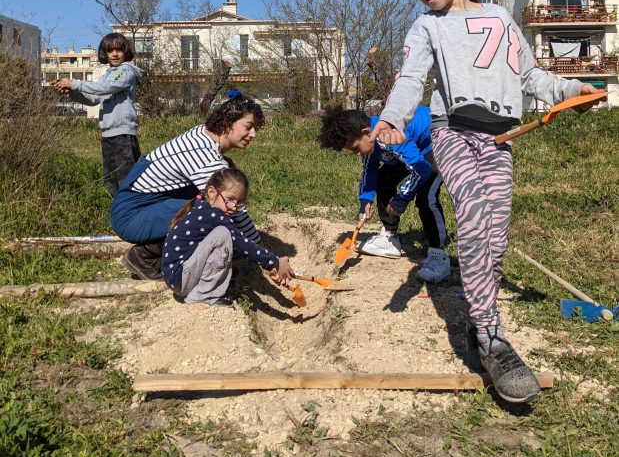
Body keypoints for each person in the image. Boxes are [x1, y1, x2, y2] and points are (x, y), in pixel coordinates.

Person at [370, 0, 600, 404]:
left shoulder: (499, 19)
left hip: (501, 138)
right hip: (453, 130)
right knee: (473, 215)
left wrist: (573, 90)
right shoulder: (426, 26)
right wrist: (391, 116)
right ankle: (494, 338)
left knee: (495, 231)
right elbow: (411, 78)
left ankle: (479, 324)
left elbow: (533, 76)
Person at [111, 90, 265, 281]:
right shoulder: (203, 155)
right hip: (132, 216)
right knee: (210, 209)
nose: (253, 134)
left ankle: (177, 251)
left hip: (145, 206)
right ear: (227, 123)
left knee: (226, 175)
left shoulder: (205, 136)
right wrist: (260, 250)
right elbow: (235, 210)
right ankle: (145, 256)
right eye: (248, 127)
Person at [319, 105, 450, 282]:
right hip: (413, 149)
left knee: (426, 197)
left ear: (366, 132)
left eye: (356, 148)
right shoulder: (372, 138)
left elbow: (422, 170)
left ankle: (438, 255)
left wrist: (401, 198)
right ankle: (390, 238)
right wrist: (365, 199)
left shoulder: (390, 134)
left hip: (437, 145)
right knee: (383, 179)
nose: (357, 154)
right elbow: (370, 170)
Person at [162, 167, 293, 306]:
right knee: (223, 234)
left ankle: (204, 287)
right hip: (181, 279)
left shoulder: (201, 207)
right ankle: (204, 295)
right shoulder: (213, 216)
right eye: (230, 199)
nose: (234, 207)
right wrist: (274, 262)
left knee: (226, 238)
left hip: (178, 277)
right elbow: (242, 242)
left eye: (239, 202)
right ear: (212, 192)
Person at [55, 33, 143, 196]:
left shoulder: (126, 71)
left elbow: (107, 88)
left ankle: (132, 213)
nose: (115, 54)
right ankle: (116, 212)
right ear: (105, 54)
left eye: (118, 50)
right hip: (108, 134)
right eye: (110, 51)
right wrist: (72, 92)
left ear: (125, 52)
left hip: (123, 134)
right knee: (110, 181)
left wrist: (75, 83)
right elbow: (95, 98)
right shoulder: (108, 75)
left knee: (127, 181)